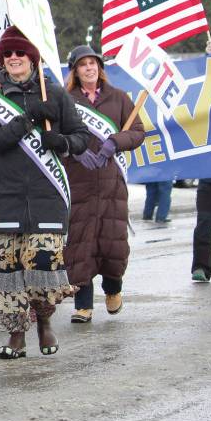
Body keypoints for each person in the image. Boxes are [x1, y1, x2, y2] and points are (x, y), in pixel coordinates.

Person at [0, 27, 90, 359]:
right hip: (4, 196)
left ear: (32, 58)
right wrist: (30, 117)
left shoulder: (56, 94)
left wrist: (61, 142)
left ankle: (45, 323)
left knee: (42, 267)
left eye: (20, 53)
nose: (14, 58)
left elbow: (81, 137)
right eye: (7, 54)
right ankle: (16, 334)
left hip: (46, 196)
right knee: (9, 271)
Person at [61, 45, 145, 323]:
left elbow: (137, 132)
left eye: (93, 63)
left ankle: (113, 289)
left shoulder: (119, 98)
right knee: (79, 244)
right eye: (83, 64)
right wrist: (74, 149)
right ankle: (83, 304)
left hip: (111, 181)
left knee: (113, 242)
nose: (89, 68)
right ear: (75, 70)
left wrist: (114, 142)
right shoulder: (65, 100)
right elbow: (54, 135)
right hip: (79, 179)